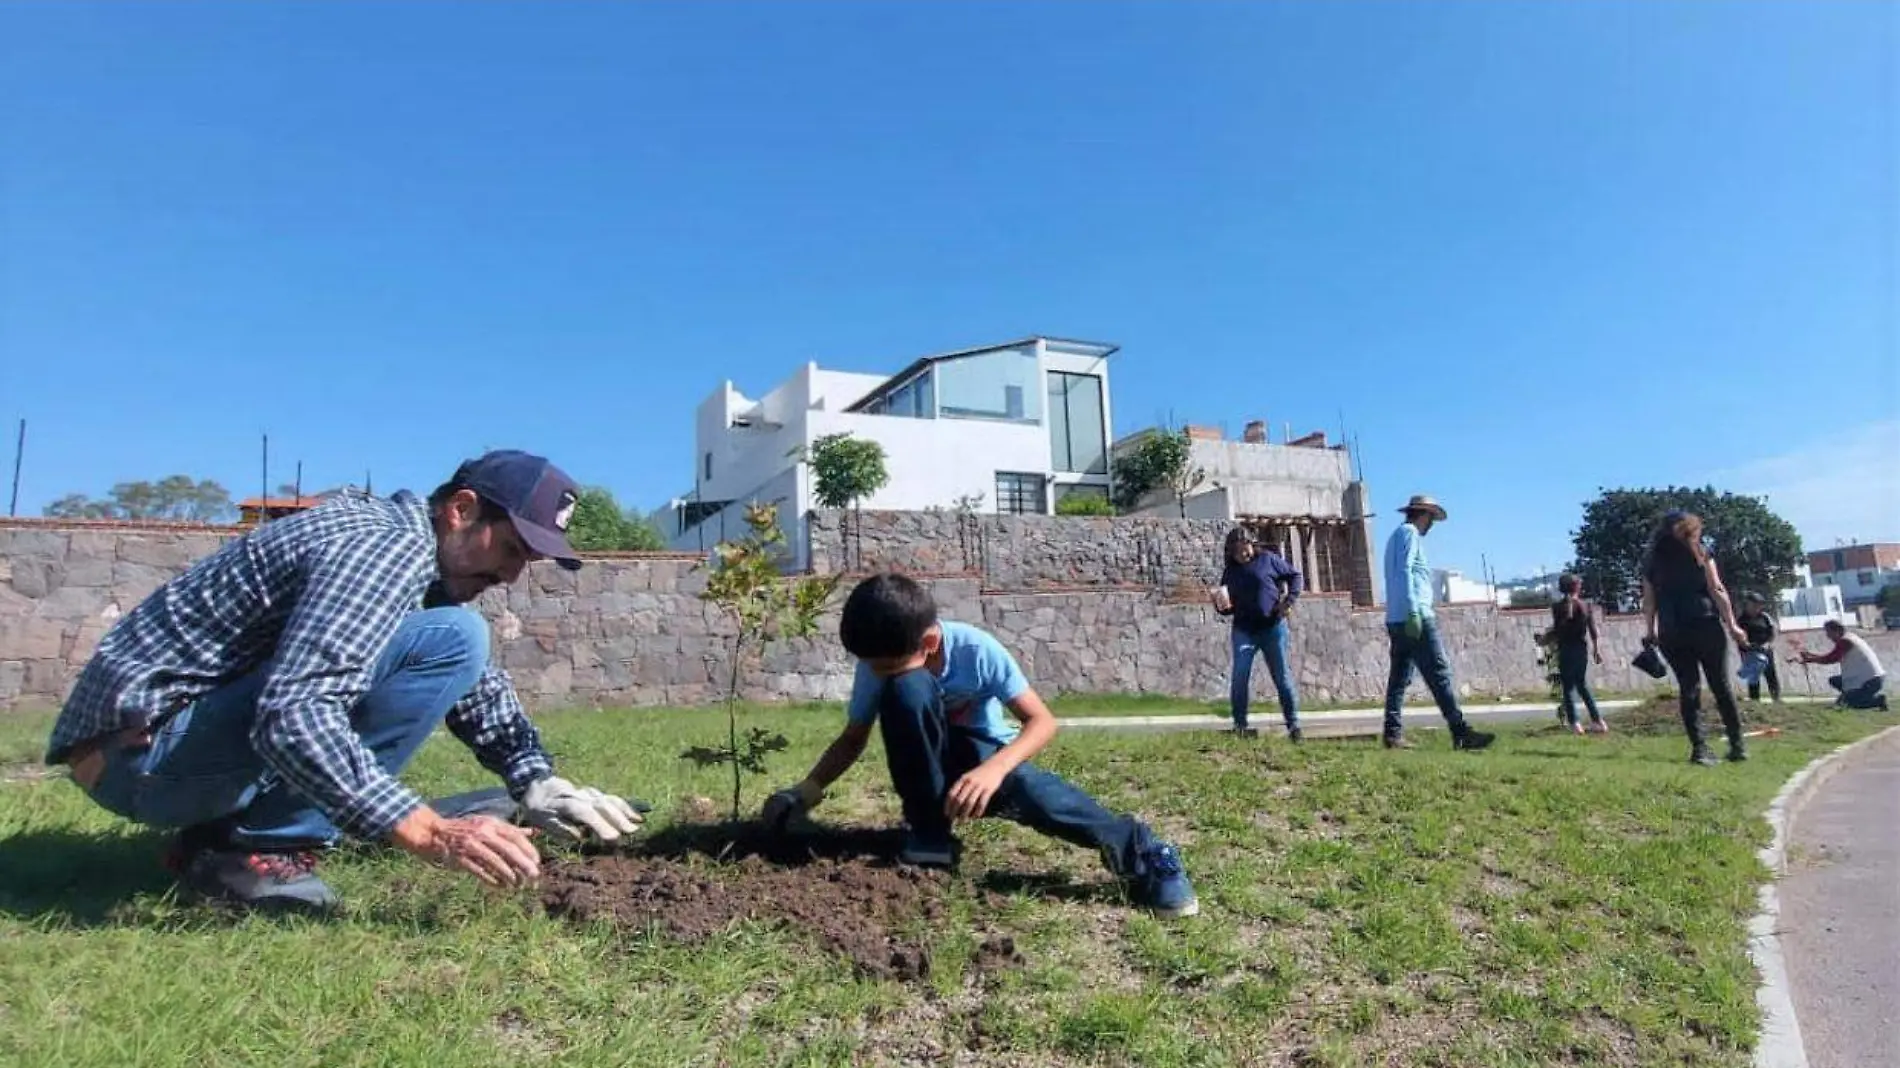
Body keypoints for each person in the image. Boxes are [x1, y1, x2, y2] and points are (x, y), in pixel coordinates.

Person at [45, 450, 646, 913]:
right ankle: (253, 852)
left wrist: (537, 780)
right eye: (512, 549)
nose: (512, 574)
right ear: (461, 509)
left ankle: (252, 831)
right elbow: (294, 714)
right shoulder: (383, 550)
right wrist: (430, 832)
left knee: (453, 638)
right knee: (457, 639)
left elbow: (476, 689)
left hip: (157, 749)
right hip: (142, 758)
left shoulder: (415, 558)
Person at [759, 573, 1199, 918]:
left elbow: (1041, 722)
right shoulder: (879, 663)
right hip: (926, 772)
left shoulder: (976, 649)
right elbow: (853, 739)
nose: (877, 674)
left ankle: (1144, 853)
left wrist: (993, 772)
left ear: (929, 642)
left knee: (1038, 793)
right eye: (872, 668)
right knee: (905, 692)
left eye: (886, 666)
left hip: (986, 762)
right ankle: (928, 832)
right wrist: (804, 792)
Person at [1381, 495, 1496, 751]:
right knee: (1439, 672)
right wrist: (1414, 610)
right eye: (1431, 518)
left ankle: (1392, 733)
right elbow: (1405, 571)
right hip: (1416, 615)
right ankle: (1460, 731)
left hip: (1396, 617)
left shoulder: (1395, 536)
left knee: (1399, 677)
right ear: (1424, 515)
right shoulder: (1409, 534)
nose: (1431, 524)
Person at [1640, 510, 1751, 766]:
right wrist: (1733, 625)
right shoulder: (1700, 552)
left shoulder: (1652, 561)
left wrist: (1650, 630)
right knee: (1720, 685)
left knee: (1689, 688)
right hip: (1705, 624)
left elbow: (1649, 601)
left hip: (1672, 630)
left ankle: (1700, 749)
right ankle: (1737, 745)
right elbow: (1717, 589)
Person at [1213, 527, 1303, 741]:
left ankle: (1294, 725)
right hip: (1244, 630)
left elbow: (1295, 576)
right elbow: (1228, 608)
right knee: (1239, 676)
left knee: (1281, 677)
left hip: (1272, 628)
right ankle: (1240, 725)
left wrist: (1288, 601)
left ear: (1252, 545)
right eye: (1235, 550)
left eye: (1244, 548)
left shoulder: (1268, 560)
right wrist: (1221, 605)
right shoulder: (1230, 572)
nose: (1241, 553)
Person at [1548, 573, 1606, 735]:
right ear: (1577, 587)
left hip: (1566, 649)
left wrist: (1546, 638)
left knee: (1568, 687)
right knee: (1582, 685)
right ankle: (1598, 721)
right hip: (1581, 649)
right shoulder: (1586, 606)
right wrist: (1597, 650)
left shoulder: (1557, 607)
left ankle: (1575, 724)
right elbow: (1594, 631)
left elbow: (1558, 630)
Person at [1797, 620, 1889, 711]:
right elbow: (1831, 656)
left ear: (1837, 631)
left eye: (1829, 633)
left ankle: (1879, 700)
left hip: (1870, 681)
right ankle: (1849, 697)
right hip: (1869, 678)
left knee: (1853, 704)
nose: (1828, 637)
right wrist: (1810, 655)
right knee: (1834, 680)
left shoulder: (1845, 641)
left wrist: (1810, 659)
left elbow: (1831, 659)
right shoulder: (1850, 637)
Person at [1737, 592, 1781, 703]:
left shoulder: (1765, 617)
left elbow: (1773, 631)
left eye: (1759, 605)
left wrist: (1768, 644)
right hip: (1750, 651)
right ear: (1748, 604)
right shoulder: (1742, 619)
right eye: (1755, 604)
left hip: (1766, 649)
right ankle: (1754, 700)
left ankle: (1776, 698)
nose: (1758, 607)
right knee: (1753, 676)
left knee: (1770, 673)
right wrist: (1745, 645)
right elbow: (1738, 636)